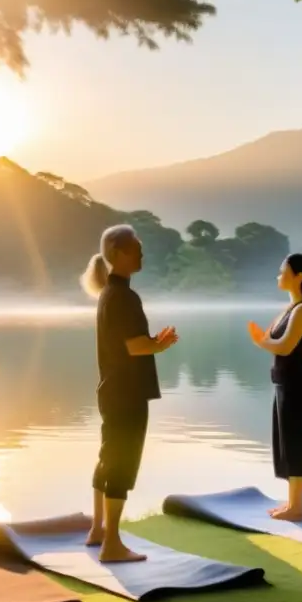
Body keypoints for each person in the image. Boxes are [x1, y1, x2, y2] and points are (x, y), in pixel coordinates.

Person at [80, 224, 178, 563]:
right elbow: (135, 346)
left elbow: (131, 344)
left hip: (112, 390)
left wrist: (154, 343)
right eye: (136, 248)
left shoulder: (111, 292)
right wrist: (160, 346)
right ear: (119, 253)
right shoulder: (123, 297)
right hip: (127, 392)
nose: (141, 253)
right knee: (121, 463)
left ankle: (98, 531)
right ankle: (112, 544)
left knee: (109, 456)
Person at [248, 254, 302, 522]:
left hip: (296, 384)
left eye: (283, 271)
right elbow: (272, 339)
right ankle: (292, 503)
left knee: (294, 443)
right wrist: (264, 339)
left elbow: (284, 346)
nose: (278, 276)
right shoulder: (290, 308)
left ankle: (297, 507)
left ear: (299, 277)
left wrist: (261, 342)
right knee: (284, 443)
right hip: (283, 382)